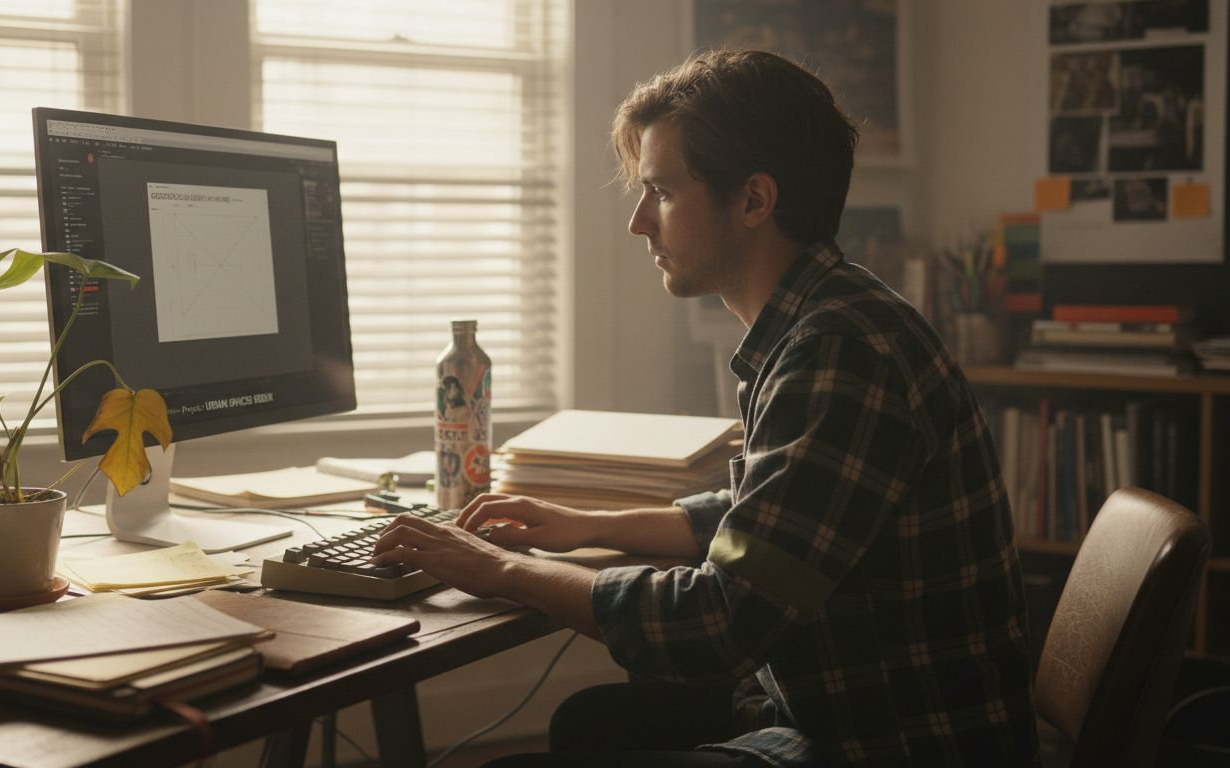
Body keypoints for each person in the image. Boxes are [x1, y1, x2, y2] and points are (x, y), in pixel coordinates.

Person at [371, 49, 1040, 767]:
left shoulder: (839, 352)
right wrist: (583, 525)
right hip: (838, 708)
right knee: (590, 724)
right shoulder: (824, 318)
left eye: (660, 190)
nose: (636, 222)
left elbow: (725, 620)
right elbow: (771, 520)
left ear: (753, 200)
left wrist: (502, 571)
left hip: (894, 744)